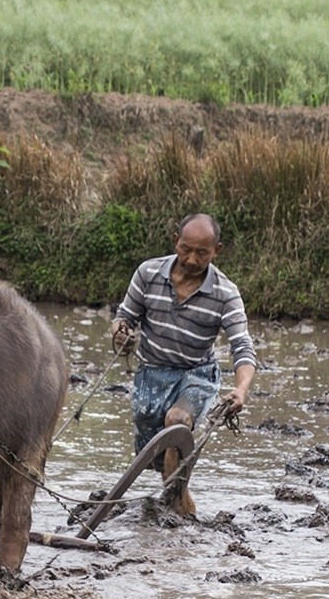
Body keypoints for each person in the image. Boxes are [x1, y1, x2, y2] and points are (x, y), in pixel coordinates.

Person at [109, 213, 257, 516]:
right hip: (151, 374)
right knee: (159, 456)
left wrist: (241, 390)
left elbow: (242, 347)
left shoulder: (226, 294)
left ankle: (172, 510)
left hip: (196, 375)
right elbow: (124, 317)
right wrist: (121, 333)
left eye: (202, 253)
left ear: (217, 250)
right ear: (175, 240)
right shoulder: (147, 273)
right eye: (185, 249)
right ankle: (183, 505)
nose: (191, 259)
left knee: (176, 423)